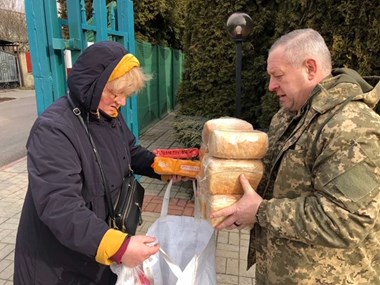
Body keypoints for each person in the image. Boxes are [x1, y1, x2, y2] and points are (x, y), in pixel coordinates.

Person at [211, 28, 380, 284]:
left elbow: (345, 221)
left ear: (310, 68)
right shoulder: (287, 115)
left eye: (278, 76)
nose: (271, 86)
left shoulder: (351, 125)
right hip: (279, 272)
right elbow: (271, 182)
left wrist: (259, 212)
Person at [14, 41, 175, 284]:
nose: (121, 102)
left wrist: (164, 168)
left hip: (94, 254)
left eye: (125, 95)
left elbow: (129, 151)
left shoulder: (106, 114)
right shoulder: (54, 129)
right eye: (114, 93)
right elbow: (60, 206)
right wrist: (120, 248)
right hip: (58, 266)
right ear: (92, 85)